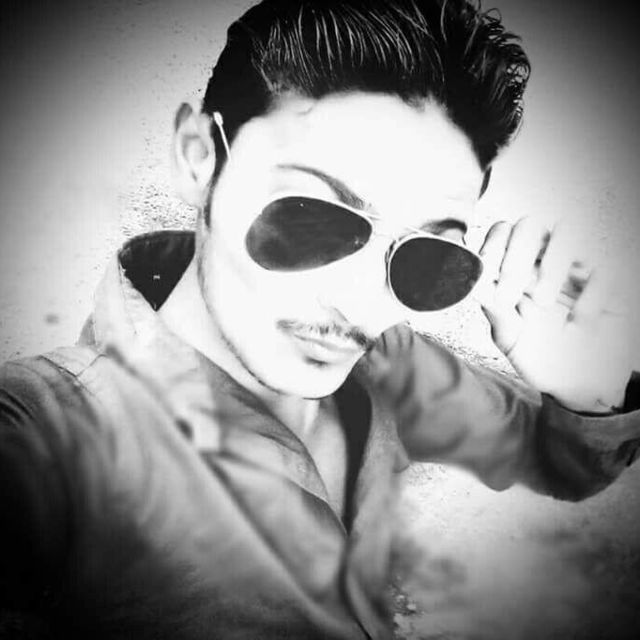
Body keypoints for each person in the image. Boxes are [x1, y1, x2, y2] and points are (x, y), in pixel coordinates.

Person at [1, 0, 639, 638]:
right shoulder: (49, 437)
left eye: (426, 255)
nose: (365, 308)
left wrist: (588, 394)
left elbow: (549, 455)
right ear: (198, 157)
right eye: (311, 218)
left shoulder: (393, 367)